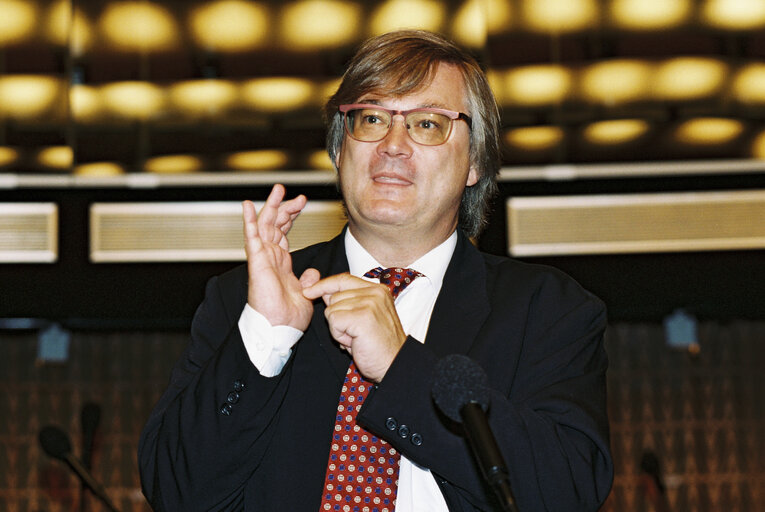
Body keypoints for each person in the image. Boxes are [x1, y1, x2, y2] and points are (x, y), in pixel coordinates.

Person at [138, 30, 613, 511]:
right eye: (371, 118)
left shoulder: (548, 309)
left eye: (427, 124)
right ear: (340, 148)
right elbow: (174, 492)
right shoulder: (247, 298)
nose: (392, 144)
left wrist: (400, 365)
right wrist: (267, 338)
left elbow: (567, 488)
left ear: (475, 162)